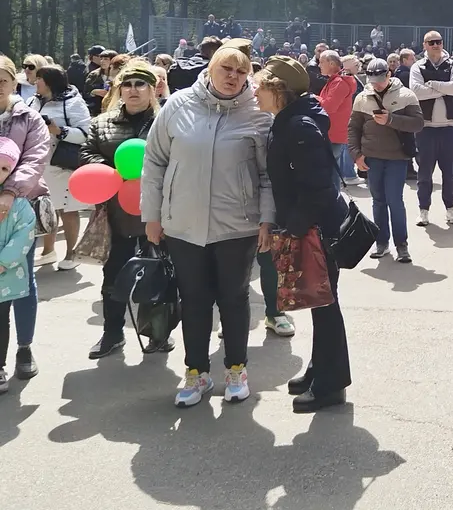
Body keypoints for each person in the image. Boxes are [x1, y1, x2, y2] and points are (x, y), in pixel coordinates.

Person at [141, 43, 276, 408]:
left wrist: (267, 219)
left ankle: (236, 369)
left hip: (238, 226)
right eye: (226, 69)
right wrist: (152, 215)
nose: (233, 77)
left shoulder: (258, 114)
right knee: (194, 300)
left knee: (234, 298)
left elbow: (268, 175)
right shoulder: (178, 104)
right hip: (183, 225)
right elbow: (154, 162)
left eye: (241, 71)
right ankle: (196, 372)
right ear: (210, 68)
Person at [253, 56, 352, 412]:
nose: (255, 91)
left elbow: (319, 187)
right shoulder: (291, 119)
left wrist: (294, 228)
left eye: (260, 86)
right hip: (311, 225)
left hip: (316, 229)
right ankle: (319, 370)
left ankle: (331, 385)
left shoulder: (298, 126)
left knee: (325, 305)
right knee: (320, 304)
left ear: (278, 89)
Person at [79, 65, 175, 358]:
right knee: (114, 275)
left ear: (152, 89)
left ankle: (158, 332)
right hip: (116, 214)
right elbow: (86, 154)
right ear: (119, 89)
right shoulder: (102, 123)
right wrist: (116, 171)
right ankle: (112, 333)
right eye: (128, 84)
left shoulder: (167, 121)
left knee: (158, 274)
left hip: (158, 212)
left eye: (140, 84)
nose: (133, 89)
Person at [0, 55, 47, 381]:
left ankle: (24, 347)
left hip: (19, 207)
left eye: (2, 80)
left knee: (21, 277)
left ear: (13, 82)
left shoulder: (29, 118)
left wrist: (10, 191)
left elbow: (35, 158)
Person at [349, 58, 423, 263]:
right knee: (378, 201)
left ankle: (402, 245)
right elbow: (353, 128)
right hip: (371, 157)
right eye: (373, 81)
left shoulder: (406, 95)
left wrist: (391, 119)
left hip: (396, 157)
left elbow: (418, 123)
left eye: (381, 80)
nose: (377, 85)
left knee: (395, 200)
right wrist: (356, 154)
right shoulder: (362, 98)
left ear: (389, 75)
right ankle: (381, 243)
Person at [28, 65, 92, 270]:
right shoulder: (33, 101)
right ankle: (48, 251)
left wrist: (59, 131)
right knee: (46, 208)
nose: (35, 81)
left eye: (39, 78)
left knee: (67, 209)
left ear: (50, 81)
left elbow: (85, 133)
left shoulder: (73, 102)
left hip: (62, 165)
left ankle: (72, 253)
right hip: (39, 164)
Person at [410, 31, 453, 228]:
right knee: (424, 173)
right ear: (424, 45)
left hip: (450, 127)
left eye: (439, 42)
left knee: (450, 173)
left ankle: (450, 208)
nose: (436, 45)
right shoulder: (417, 66)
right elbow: (416, 92)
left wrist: (432, 85)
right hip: (426, 128)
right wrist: (444, 89)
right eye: (431, 42)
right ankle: (423, 210)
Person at [0, 136, 37, 394]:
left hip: (4, 277)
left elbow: (24, 235)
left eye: (4, 168)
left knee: (0, 321)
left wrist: (3, 262)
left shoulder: (20, 206)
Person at [317, 50, 363, 187]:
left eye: (321, 62)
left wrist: (314, 98)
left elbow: (329, 106)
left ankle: (334, 199)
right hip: (332, 132)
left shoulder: (339, 82)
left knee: (330, 174)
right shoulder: (336, 81)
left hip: (333, 133)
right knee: (331, 172)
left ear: (331, 63)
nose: (319, 65)